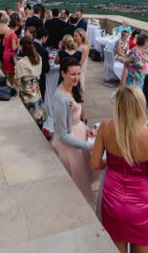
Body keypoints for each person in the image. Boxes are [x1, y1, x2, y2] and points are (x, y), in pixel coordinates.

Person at [91, 86, 148, 253]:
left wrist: (110, 163)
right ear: (141, 106)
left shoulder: (105, 127)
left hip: (112, 200)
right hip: (141, 206)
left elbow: (95, 164)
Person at [51, 58, 97, 206]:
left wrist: (87, 129)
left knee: (84, 175)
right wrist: (89, 146)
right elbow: (63, 134)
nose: (76, 77)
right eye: (72, 74)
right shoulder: (61, 98)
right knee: (78, 179)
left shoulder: (72, 88)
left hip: (80, 132)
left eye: (78, 73)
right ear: (63, 73)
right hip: (69, 144)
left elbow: (75, 118)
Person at [15, 36, 46, 128]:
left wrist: (17, 65)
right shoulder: (38, 57)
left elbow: (17, 83)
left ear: (21, 47)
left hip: (26, 92)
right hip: (36, 89)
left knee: (28, 118)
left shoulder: (21, 63)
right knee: (38, 115)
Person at [33, 27, 51, 100]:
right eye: (46, 38)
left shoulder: (28, 44)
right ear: (43, 37)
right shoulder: (43, 51)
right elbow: (46, 69)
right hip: (39, 79)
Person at [2, 18, 20, 86]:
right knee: (11, 74)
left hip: (5, 53)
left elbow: (3, 44)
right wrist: (19, 43)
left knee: (6, 72)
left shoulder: (6, 32)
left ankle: (4, 86)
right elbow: (14, 47)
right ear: (16, 26)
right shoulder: (13, 35)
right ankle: (9, 89)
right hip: (11, 56)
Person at [73, 28, 90, 92]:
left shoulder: (84, 48)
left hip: (80, 68)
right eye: (74, 36)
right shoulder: (75, 45)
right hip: (75, 66)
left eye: (76, 36)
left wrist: (75, 69)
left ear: (82, 37)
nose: (74, 37)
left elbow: (81, 62)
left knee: (80, 84)